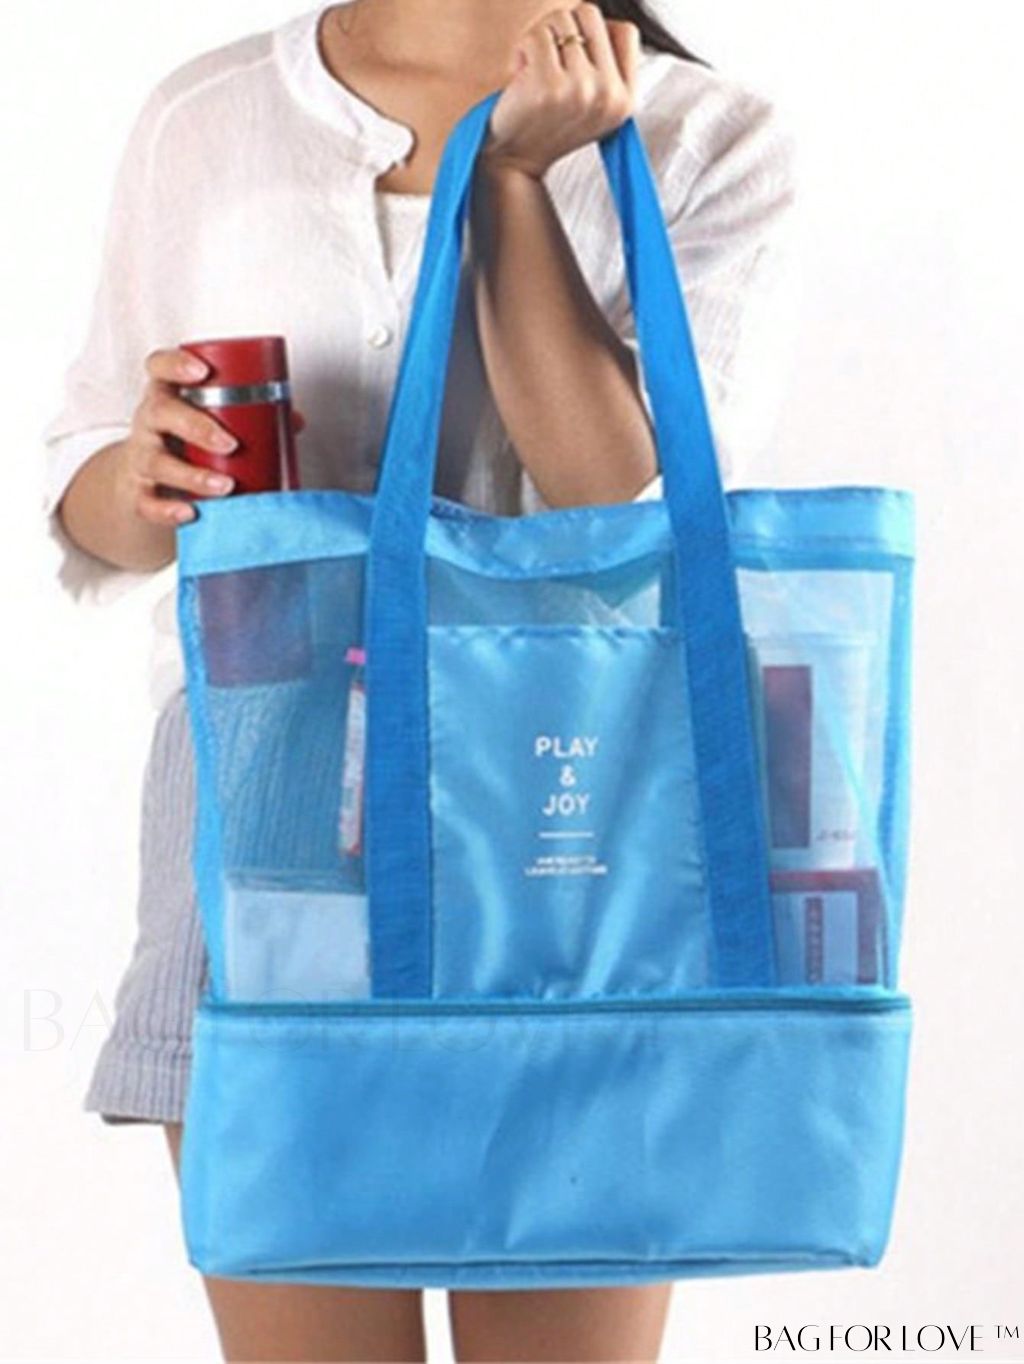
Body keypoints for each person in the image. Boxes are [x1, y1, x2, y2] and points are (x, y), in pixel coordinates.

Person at [41, 2, 798, 1359]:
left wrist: (509, 182)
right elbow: (90, 490)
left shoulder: (702, 136)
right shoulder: (206, 117)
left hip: (565, 821)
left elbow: (625, 512)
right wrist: (137, 475)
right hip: (260, 806)